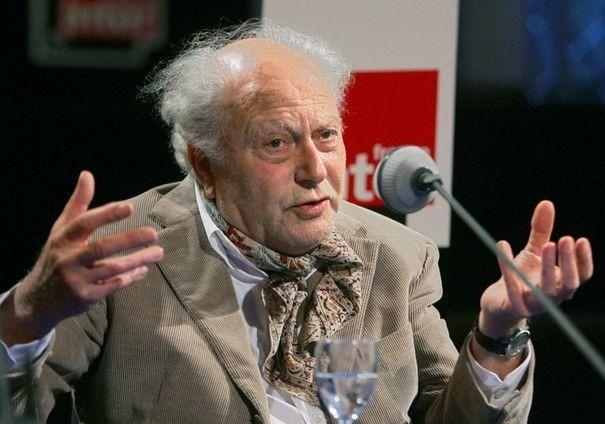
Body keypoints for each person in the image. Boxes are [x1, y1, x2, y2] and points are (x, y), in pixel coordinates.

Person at [0, 21, 593, 423]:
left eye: (327, 135)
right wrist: (27, 313)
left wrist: (498, 333)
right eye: (277, 143)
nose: (316, 170)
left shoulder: (395, 256)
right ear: (205, 164)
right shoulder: (124, 249)